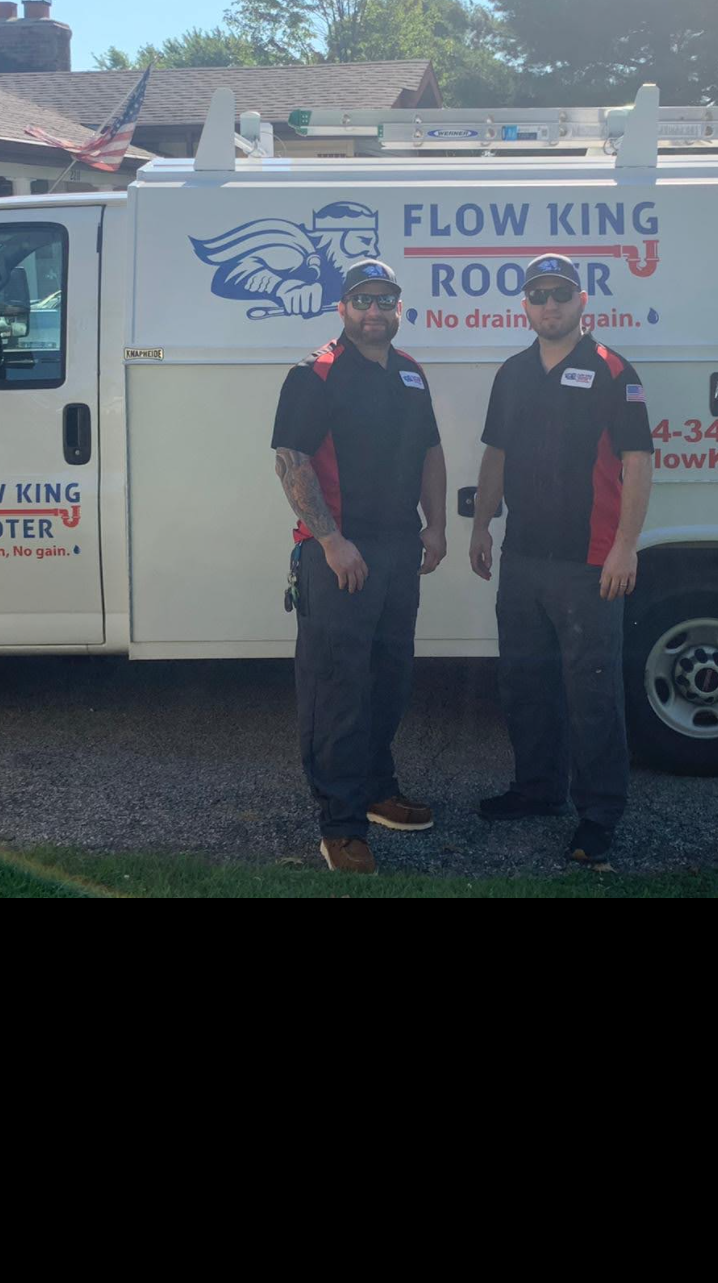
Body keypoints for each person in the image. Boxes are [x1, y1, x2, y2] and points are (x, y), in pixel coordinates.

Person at [469, 254, 654, 870]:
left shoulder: (613, 372)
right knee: (524, 684)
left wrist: (625, 545)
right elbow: (495, 454)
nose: (550, 304)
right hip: (522, 557)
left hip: (589, 563)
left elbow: (637, 464)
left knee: (593, 693)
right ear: (525, 305)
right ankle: (536, 791)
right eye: (539, 294)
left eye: (561, 294)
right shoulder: (514, 373)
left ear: (582, 303)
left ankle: (599, 815)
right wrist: (481, 527)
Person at [272, 260, 448, 875]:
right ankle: (340, 825)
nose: (375, 311)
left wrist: (438, 524)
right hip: (339, 555)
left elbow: (430, 449)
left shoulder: (410, 373)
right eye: (363, 300)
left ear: (399, 308)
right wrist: (331, 540)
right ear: (342, 309)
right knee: (337, 690)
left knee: (389, 678)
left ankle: (376, 790)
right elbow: (290, 460)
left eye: (386, 300)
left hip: (400, 550)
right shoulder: (314, 374)